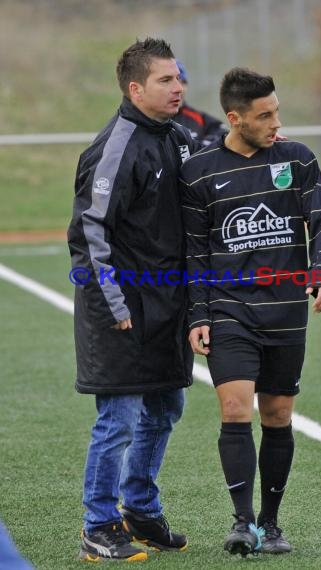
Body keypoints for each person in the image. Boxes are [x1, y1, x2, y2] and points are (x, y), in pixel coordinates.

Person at [180, 67, 321, 557]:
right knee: (234, 407)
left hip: (287, 308)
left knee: (277, 413)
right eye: (263, 115)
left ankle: (271, 524)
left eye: (276, 111)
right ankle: (242, 522)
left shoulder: (297, 158)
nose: (275, 122)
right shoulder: (199, 171)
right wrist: (198, 315)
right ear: (235, 118)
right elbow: (195, 253)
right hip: (230, 309)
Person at [67, 38, 201, 562]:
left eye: (179, 78)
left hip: (168, 305)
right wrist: (115, 306)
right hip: (120, 308)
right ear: (135, 87)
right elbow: (89, 233)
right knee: (118, 417)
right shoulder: (115, 146)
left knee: (167, 404)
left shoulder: (180, 137)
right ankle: (98, 524)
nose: (178, 88)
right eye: (166, 81)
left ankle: (139, 508)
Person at [174, 60, 228, 146]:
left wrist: (202, 147)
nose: (180, 89)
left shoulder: (197, 117)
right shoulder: (151, 120)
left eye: (183, 82)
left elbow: (222, 131)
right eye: (173, 82)